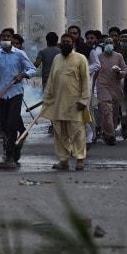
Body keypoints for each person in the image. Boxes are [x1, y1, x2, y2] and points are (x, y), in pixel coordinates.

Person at [0, 28, 37, 168]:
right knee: (3, 125)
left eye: (8, 36)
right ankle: (13, 147)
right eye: (3, 36)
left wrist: (23, 75)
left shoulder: (20, 54)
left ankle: (9, 155)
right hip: (0, 93)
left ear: (12, 38)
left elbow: (32, 69)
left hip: (16, 92)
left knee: (11, 124)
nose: (5, 38)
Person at [41, 33, 91, 170]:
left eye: (68, 42)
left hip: (75, 103)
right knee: (59, 132)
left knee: (77, 132)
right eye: (63, 42)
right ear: (60, 43)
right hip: (57, 102)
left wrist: (83, 99)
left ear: (73, 44)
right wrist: (47, 98)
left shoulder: (80, 59)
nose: (66, 44)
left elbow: (86, 80)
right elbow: (51, 79)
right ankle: (63, 160)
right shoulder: (57, 58)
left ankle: (80, 159)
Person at [94, 37, 127, 145]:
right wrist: (91, 86)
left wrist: (119, 72)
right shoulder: (98, 57)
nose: (108, 45)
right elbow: (95, 73)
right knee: (107, 111)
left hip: (116, 88)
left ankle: (106, 132)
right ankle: (110, 135)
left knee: (114, 114)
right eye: (106, 43)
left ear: (113, 44)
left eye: (110, 43)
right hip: (102, 87)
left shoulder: (119, 56)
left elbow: (125, 71)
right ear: (104, 45)